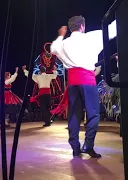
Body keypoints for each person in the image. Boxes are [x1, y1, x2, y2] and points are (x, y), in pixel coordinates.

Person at [50, 15, 117, 158]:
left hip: (73, 83)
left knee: (74, 115)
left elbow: (53, 48)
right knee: (93, 114)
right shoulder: (91, 37)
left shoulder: (63, 44)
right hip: (87, 80)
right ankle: (88, 145)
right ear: (82, 26)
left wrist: (61, 36)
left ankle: (75, 148)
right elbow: (112, 30)